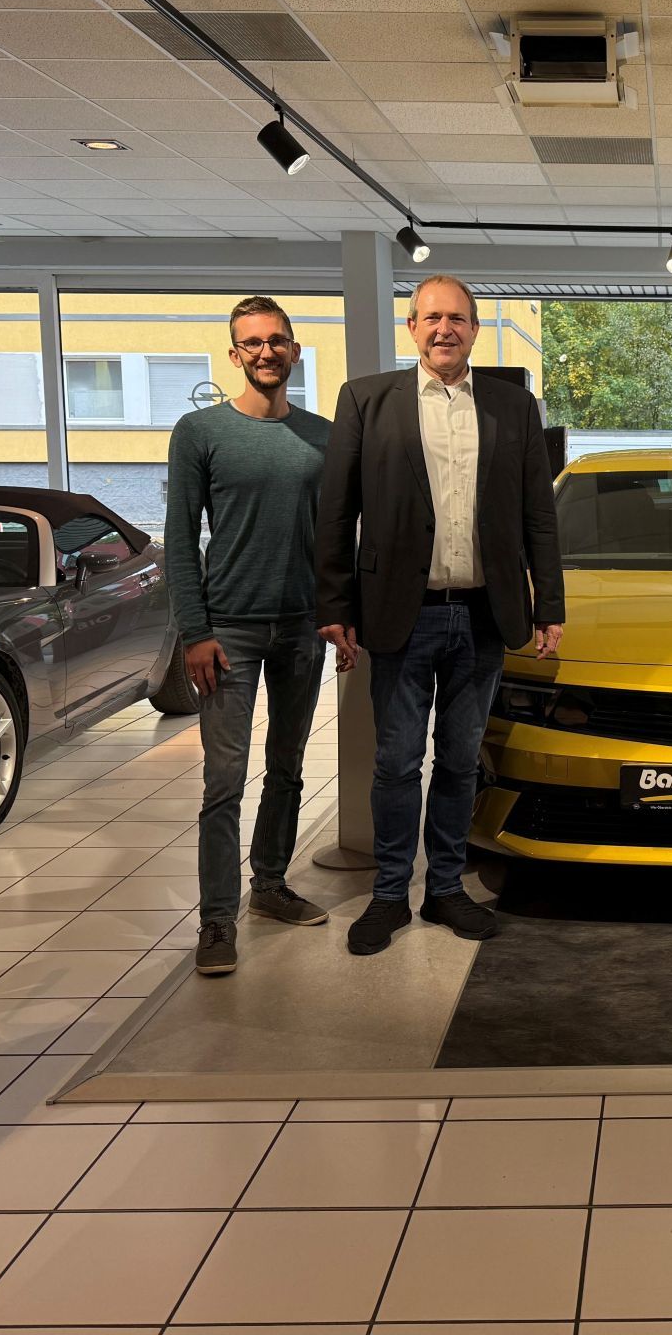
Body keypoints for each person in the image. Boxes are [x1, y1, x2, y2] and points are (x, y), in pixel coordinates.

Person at [315, 274, 564, 955]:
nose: (443, 329)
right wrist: (334, 604)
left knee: (458, 761)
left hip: (485, 614)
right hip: (402, 614)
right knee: (396, 762)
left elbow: (538, 514)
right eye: (430, 318)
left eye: (456, 318)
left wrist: (551, 604)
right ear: (412, 328)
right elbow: (336, 512)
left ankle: (446, 890)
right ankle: (391, 895)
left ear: (475, 329)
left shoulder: (514, 408)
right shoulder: (367, 400)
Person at [164, 296, 334, 976]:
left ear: (294, 350)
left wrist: (335, 615)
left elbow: (333, 540)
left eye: (278, 341)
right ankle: (215, 920)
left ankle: (268, 885)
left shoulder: (323, 436)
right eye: (252, 343)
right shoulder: (199, 431)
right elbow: (180, 539)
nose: (267, 352)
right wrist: (194, 632)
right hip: (228, 630)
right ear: (235, 354)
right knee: (224, 779)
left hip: (301, 626)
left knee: (290, 768)